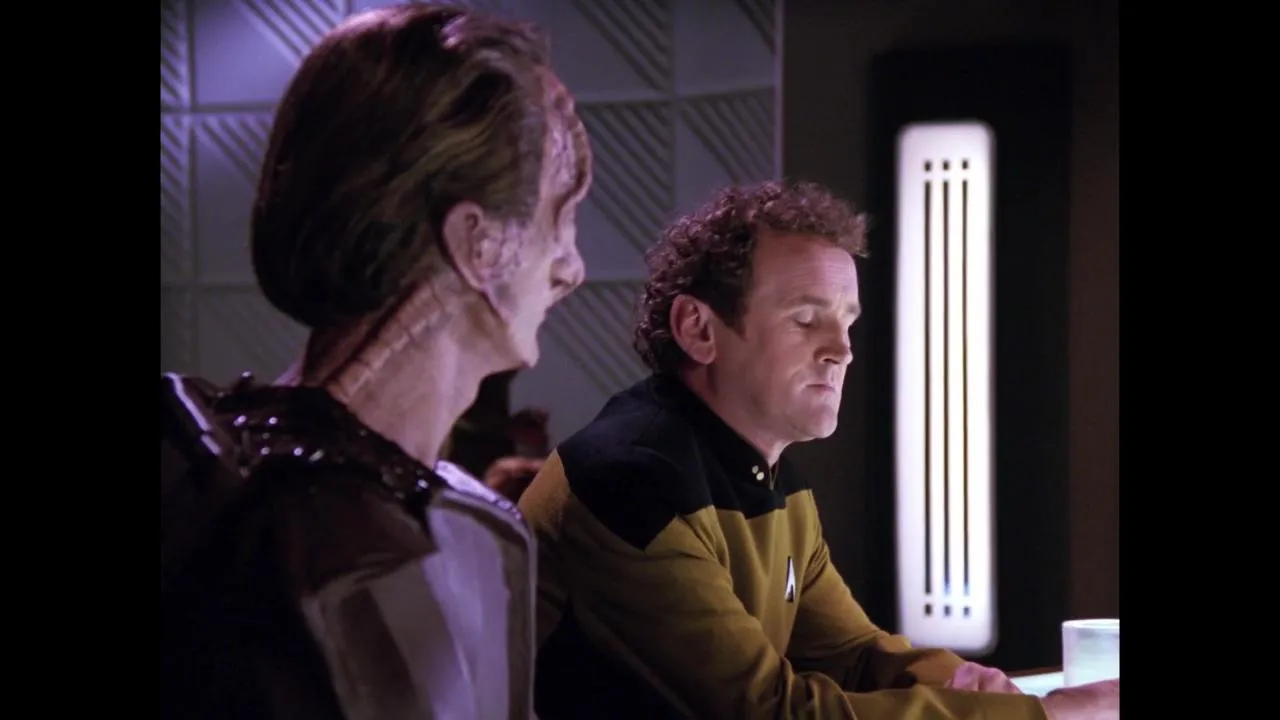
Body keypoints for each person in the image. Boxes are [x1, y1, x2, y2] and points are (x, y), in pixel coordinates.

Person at [517, 181, 1119, 719]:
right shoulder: (629, 481)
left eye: (846, 323)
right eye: (806, 320)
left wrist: (964, 684)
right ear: (698, 330)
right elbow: (770, 713)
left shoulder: (772, 477)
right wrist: (1046, 717)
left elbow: (851, 654)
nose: (842, 350)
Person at [159, 4, 591, 718]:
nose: (572, 268)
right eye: (560, 218)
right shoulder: (317, 545)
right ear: (476, 242)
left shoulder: (474, 528)